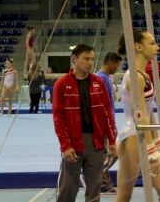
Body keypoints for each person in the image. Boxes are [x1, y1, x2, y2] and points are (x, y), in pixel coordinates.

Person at [53, 44, 117, 202]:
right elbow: (58, 118)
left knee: (94, 188)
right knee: (68, 187)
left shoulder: (98, 83)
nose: (90, 63)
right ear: (74, 59)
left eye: (92, 59)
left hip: (96, 142)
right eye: (86, 59)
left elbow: (107, 113)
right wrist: (65, 145)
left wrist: (112, 140)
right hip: (73, 143)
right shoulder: (61, 84)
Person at [116, 30, 160, 202]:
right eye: (153, 43)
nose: (157, 47)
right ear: (138, 47)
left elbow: (149, 111)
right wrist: (150, 148)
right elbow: (139, 117)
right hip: (134, 136)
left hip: (138, 135)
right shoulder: (135, 78)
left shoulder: (144, 75)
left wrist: (157, 138)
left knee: (124, 197)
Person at [95, 52, 122, 193]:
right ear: (110, 62)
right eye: (117, 65)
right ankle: (95, 177)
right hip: (105, 122)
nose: (117, 68)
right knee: (115, 152)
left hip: (107, 119)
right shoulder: (101, 78)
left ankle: (105, 184)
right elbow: (101, 104)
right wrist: (107, 124)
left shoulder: (105, 78)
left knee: (106, 154)